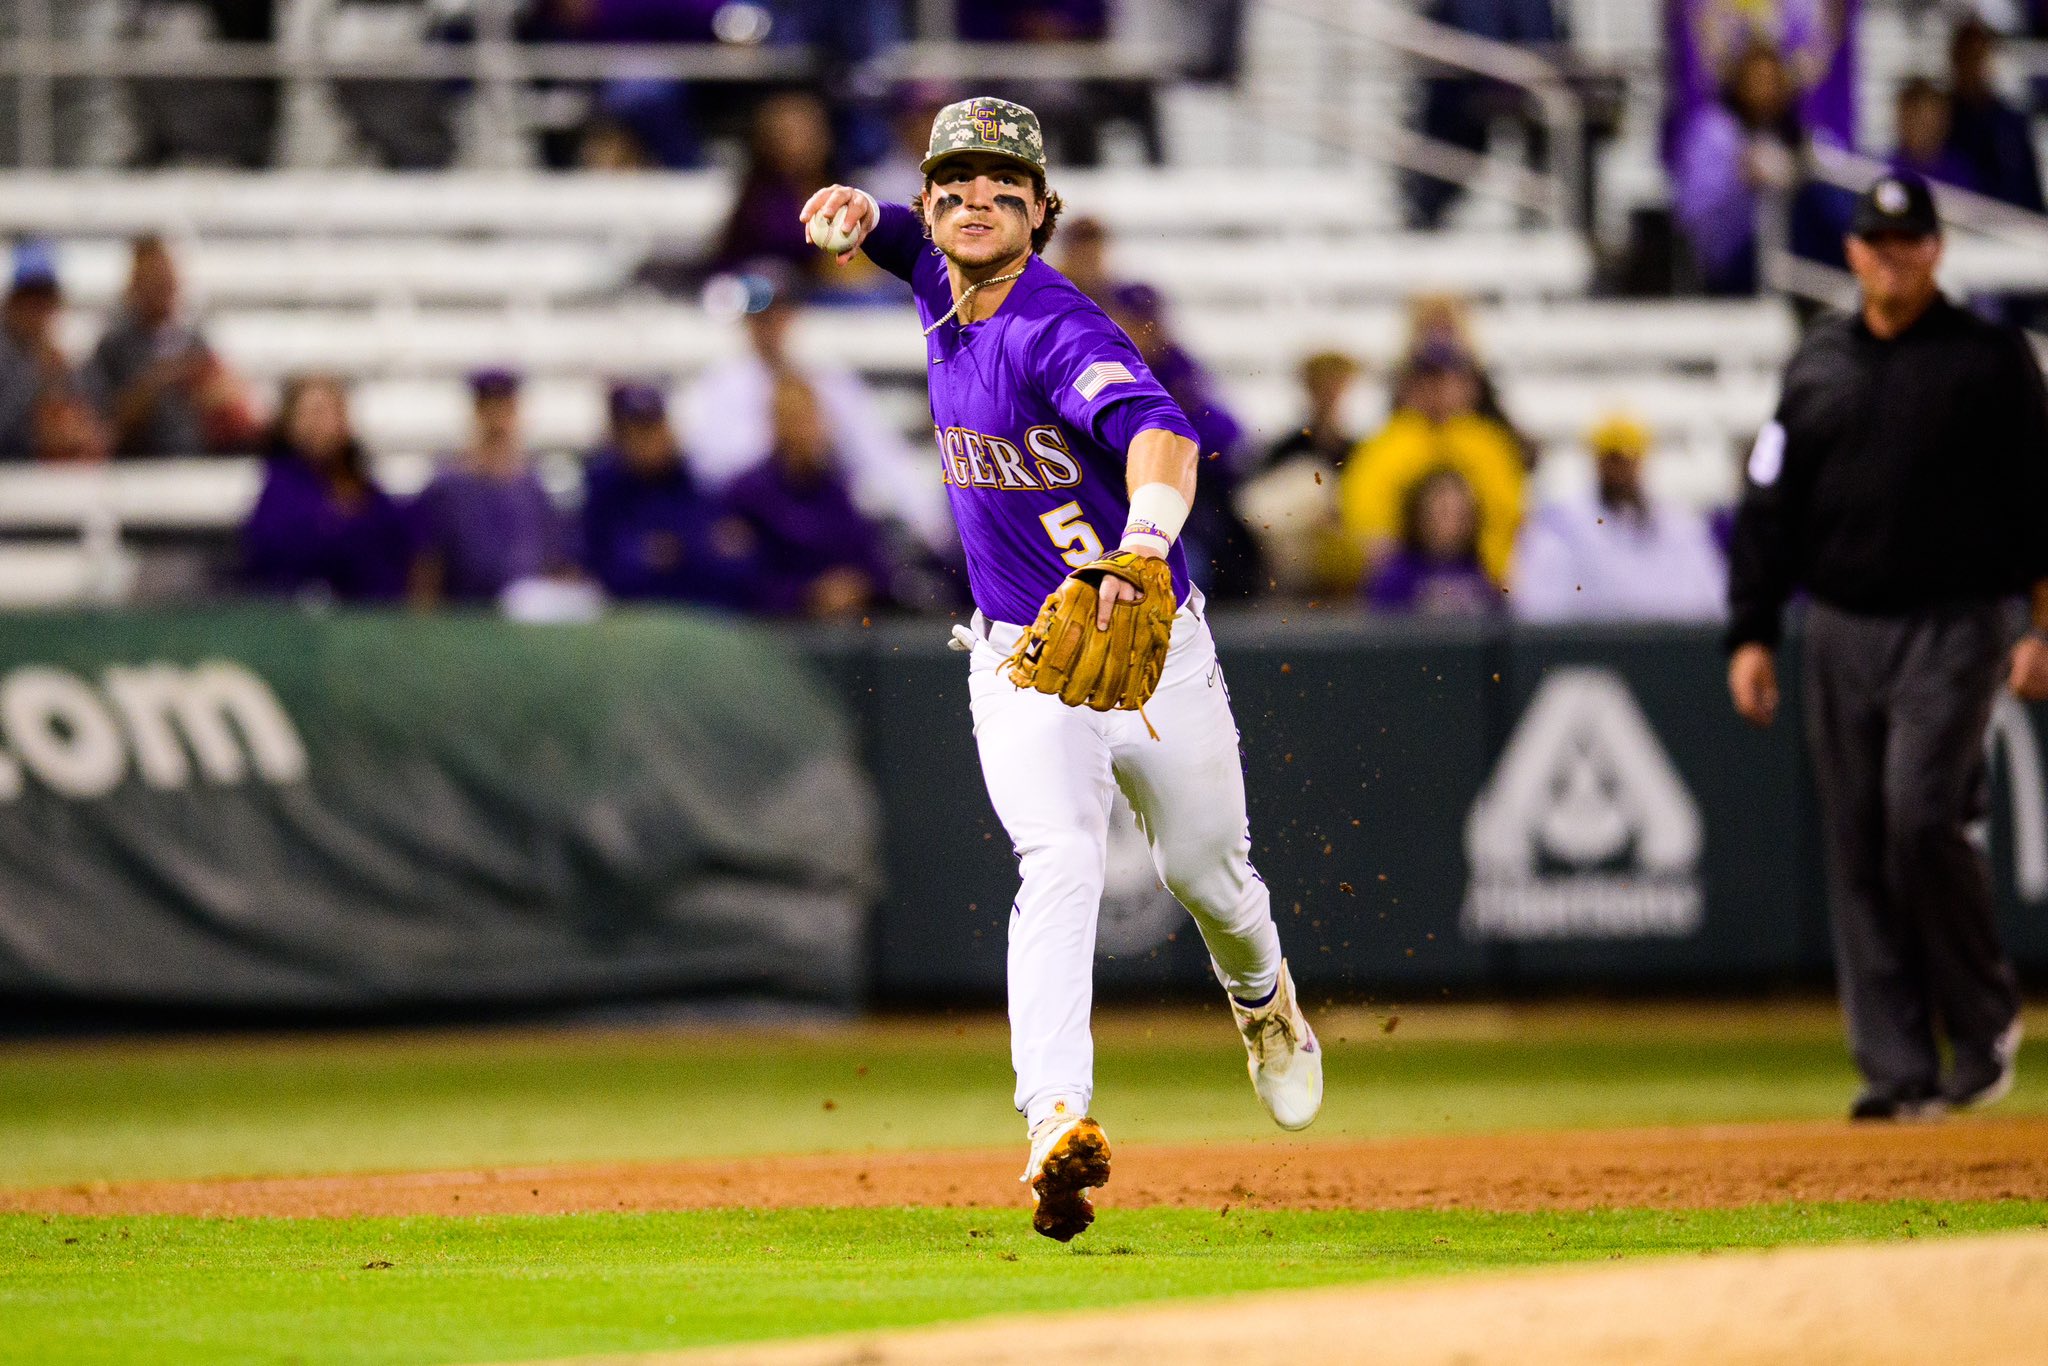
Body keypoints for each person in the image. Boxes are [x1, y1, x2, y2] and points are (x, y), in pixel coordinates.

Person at [799, 96, 1321, 1242]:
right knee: (1060, 858)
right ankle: (1054, 1123)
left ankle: (1262, 1002)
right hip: (1019, 654)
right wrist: (859, 216)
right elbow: (907, 236)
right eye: (953, 180)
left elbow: (1163, 435)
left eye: (1002, 183)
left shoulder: (1052, 325)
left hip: (1145, 638)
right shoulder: (941, 275)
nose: (973, 197)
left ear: (1044, 210)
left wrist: (1142, 543)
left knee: (1206, 875)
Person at [1725, 173, 2048, 1121]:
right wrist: (1750, 630)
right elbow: (1768, 504)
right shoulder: (1818, 360)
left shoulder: (1991, 360)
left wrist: (2040, 622)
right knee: (1861, 840)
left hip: (1957, 621)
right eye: (1877, 242)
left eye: (1910, 243)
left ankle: (1982, 1021)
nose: (1892, 258)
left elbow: (2039, 502)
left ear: (1937, 251)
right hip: (1841, 624)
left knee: (1918, 817)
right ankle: (1898, 1066)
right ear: (1854, 252)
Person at [678, 264, 952, 552]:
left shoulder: (827, 380)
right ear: (747, 322)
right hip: (752, 524)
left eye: (776, 313)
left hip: (819, 513)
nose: (768, 325)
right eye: (759, 317)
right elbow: (711, 471)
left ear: (790, 316)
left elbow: (878, 452)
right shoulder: (718, 387)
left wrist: (931, 523)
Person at [1339, 342, 1524, 588]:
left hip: (1478, 576)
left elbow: (1507, 520)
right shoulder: (1383, 445)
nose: (1438, 390)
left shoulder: (1490, 445)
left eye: (1448, 379)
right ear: (1409, 387)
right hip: (1407, 579)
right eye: (1428, 380)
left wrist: (1489, 576)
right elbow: (1367, 527)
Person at [1511, 414, 1726, 622]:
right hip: (1591, 650)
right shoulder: (1562, 524)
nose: (1622, 470)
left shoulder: (1679, 525)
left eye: (1630, 459)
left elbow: (1711, 599)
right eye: (1613, 459)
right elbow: (1538, 606)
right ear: (1598, 461)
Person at [725, 373, 893, 619]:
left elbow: (877, 564)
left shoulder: (838, 488)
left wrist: (858, 586)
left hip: (849, 629)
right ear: (775, 425)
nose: (804, 431)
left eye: (809, 419)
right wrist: (808, 593)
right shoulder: (747, 494)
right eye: (794, 420)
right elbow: (742, 580)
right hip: (776, 634)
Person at [580, 382, 757, 608]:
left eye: (653, 427)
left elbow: (735, 562)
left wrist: (679, 553)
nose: (648, 441)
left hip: (702, 616)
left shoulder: (697, 482)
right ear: (620, 438)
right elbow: (608, 571)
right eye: (636, 432)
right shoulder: (605, 490)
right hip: (634, 621)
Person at [409, 370, 575, 608]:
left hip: (525, 621)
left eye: (505, 408)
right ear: (476, 412)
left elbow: (552, 562)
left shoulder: (534, 487)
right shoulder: (447, 488)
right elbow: (427, 563)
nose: (497, 420)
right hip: (465, 617)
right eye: (489, 408)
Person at [82, 236, 258, 459]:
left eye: (165, 278)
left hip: (194, 460)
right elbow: (103, 422)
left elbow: (224, 395)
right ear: (134, 284)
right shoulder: (113, 346)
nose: (161, 288)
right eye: (151, 279)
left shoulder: (194, 340)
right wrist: (156, 384)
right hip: (136, 465)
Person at [241, 375, 412, 601]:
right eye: (308, 414)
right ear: (289, 425)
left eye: (326, 412)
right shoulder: (278, 489)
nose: (317, 425)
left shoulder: (365, 488)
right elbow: (281, 555)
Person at [1364, 468, 1500, 616]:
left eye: (1463, 513)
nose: (1455, 523)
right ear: (1419, 515)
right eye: (1444, 512)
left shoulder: (1481, 573)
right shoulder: (1396, 577)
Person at [1946, 17, 2044, 214]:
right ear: (1955, 60)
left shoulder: (2011, 122)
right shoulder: (1942, 118)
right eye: (1967, 57)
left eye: (1979, 57)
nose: (1974, 67)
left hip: (2013, 228)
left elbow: (2030, 188)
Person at [0, 250, 73, 460]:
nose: (38, 310)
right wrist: (37, 377)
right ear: (12, 302)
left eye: (46, 300)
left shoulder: (55, 355)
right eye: (30, 299)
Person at [1887, 79, 1977, 192]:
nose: (1918, 131)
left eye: (1925, 122)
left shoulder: (1960, 173)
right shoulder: (1884, 170)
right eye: (1910, 120)